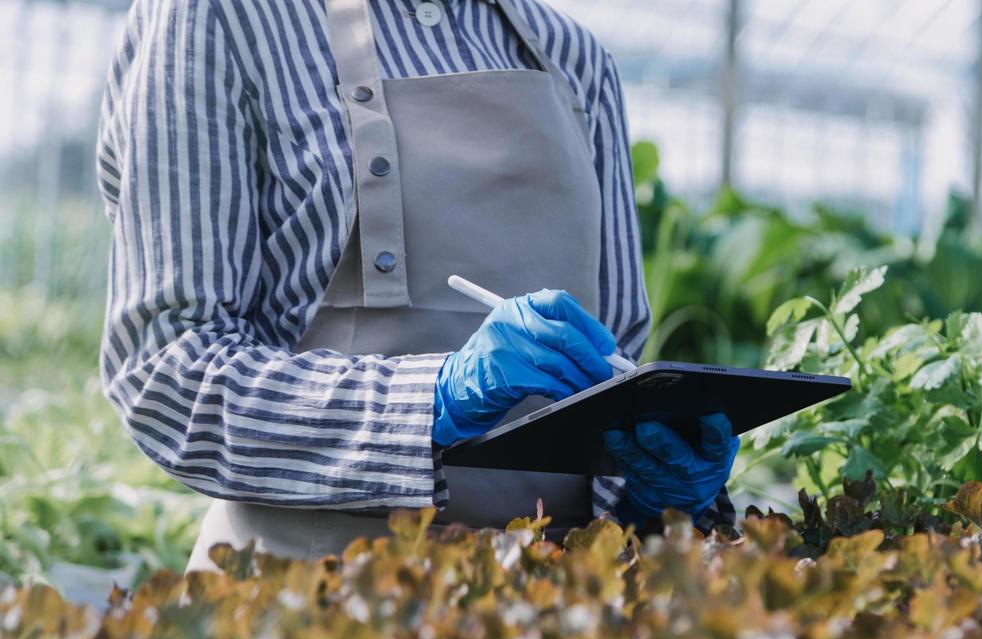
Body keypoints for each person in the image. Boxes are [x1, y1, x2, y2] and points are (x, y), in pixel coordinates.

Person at [96, 0, 736, 572]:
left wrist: (652, 488)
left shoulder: (576, 59)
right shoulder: (222, 18)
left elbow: (617, 355)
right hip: (306, 606)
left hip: (554, 615)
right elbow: (166, 371)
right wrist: (432, 403)